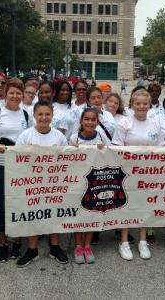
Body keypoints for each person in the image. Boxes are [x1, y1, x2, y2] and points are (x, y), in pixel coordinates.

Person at [112, 89, 165, 260]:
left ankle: (143, 241)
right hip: (127, 173)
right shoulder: (125, 124)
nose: (141, 106)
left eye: (145, 103)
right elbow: (116, 148)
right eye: (138, 103)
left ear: (149, 105)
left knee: (145, 205)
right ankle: (124, 241)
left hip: (149, 173)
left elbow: (161, 149)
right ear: (132, 105)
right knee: (126, 205)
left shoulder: (155, 124)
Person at [15, 101, 69, 267]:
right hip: (32, 183)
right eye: (40, 114)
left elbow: (68, 159)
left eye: (47, 114)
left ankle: (55, 246)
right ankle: (32, 249)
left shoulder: (59, 137)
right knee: (34, 214)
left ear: (52, 116)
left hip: (54, 183)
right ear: (34, 115)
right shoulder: (26, 135)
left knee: (54, 214)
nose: (44, 117)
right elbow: (16, 158)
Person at [0, 78, 34, 262]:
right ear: (6, 93)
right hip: (1, 166)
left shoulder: (27, 115)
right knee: (3, 206)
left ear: (23, 95)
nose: (15, 96)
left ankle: (17, 242)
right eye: (11, 92)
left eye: (18, 93)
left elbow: (31, 140)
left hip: (21, 167)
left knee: (19, 204)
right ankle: (4, 243)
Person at [70, 107, 110, 264]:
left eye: (93, 119)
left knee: (92, 213)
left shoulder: (101, 136)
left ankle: (87, 245)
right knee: (79, 214)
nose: (90, 122)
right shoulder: (74, 138)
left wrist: (103, 151)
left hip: (96, 182)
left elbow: (110, 155)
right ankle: (78, 246)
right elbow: (70, 161)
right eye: (86, 119)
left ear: (97, 122)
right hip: (78, 182)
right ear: (81, 121)